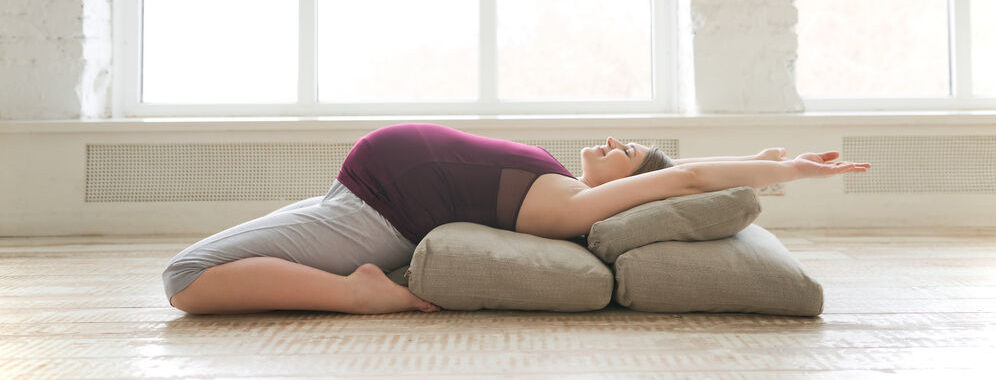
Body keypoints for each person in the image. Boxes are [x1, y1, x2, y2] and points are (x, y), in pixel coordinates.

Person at [163, 123, 869, 315]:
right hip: (357, 192)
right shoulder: (559, 183)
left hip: (374, 212)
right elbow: (680, 172)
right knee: (206, 263)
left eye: (627, 152)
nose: (611, 142)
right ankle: (350, 286)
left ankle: (360, 293)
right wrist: (761, 156)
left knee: (188, 275)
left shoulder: (572, 206)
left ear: (633, 184)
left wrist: (786, 171)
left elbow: (685, 177)